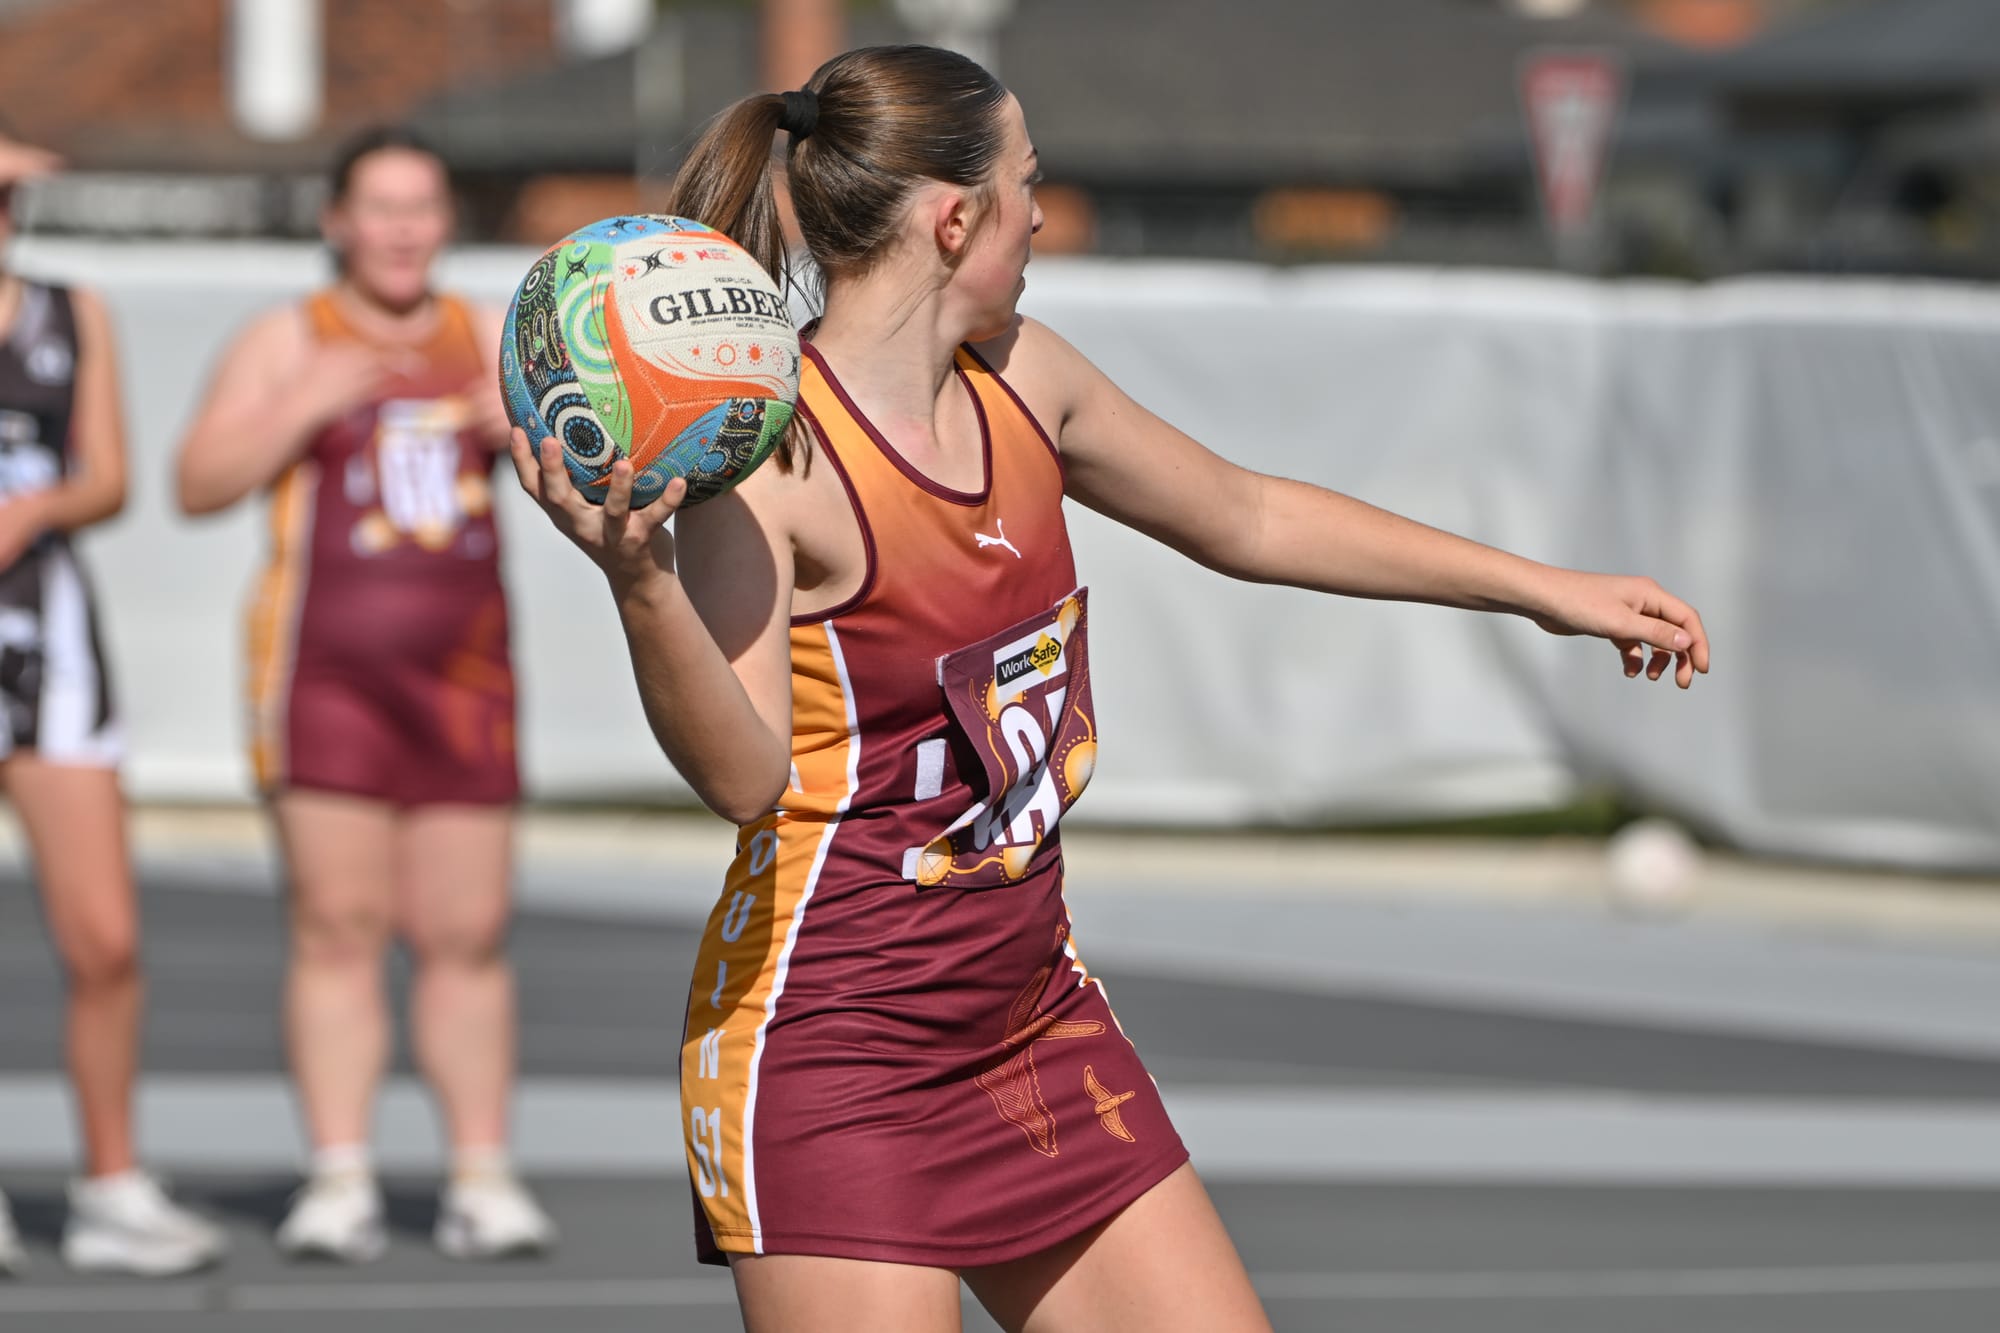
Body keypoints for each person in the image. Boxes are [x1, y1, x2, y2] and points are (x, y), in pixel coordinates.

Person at [511, 46, 1711, 1332]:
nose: (1042, 209)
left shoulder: (1029, 379)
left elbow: (1245, 513)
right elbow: (747, 779)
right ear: (953, 217)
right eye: (1027, 181)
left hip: (1029, 1017)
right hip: (837, 1047)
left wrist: (1542, 588)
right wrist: (641, 585)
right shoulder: (773, 462)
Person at [173, 127, 553, 1263]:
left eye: (420, 207)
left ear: (445, 223)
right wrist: (301, 403)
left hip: (465, 676)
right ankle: (339, 1174)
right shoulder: (288, 337)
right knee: (337, 925)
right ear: (336, 220)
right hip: (322, 677)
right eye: (378, 207)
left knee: (466, 931)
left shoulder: (488, 336)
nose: (399, 230)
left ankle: (480, 1173)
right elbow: (196, 482)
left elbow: (601, 472)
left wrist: (529, 428)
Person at [0, 133, 227, 1277]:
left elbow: (108, 473)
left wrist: (30, 513)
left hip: (46, 640)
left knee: (105, 937)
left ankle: (110, 1184)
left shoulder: (65, 307)